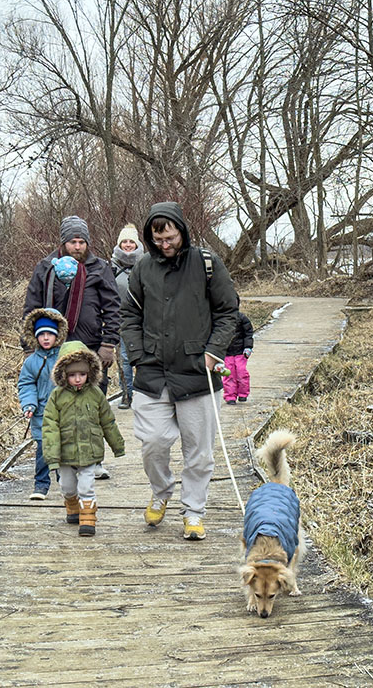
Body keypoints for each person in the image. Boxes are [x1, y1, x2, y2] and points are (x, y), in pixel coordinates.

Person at [120, 201, 238, 541]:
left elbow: (228, 310)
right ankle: (161, 491)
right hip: (153, 372)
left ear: (182, 232)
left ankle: (194, 512)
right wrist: (138, 355)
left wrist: (214, 352)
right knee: (153, 443)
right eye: (158, 240)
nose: (165, 245)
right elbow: (128, 313)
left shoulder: (206, 263)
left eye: (170, 238)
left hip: (197, 372)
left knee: (198, 452)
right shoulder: (142, 268)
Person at [23, 215, 120, 479]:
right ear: (63, 242)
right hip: (53, 347)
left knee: (92, 403)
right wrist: (29, 346)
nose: (77, 247)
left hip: (90, 347)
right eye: (72, 242)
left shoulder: (100, 268)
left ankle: (93, 460)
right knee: (57, 404)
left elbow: (112, 307)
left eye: (81, 242)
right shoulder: (46, 267)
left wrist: (109, 343)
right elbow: (32, 307)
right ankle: (63, 460)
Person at [42, 341, 126, 537]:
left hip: (89, 451)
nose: (78, 379)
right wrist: (52, 455)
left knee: (86, 486)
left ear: (90, 372)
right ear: (64, 375)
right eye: (72, 375)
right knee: (67, 486)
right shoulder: (57, 397)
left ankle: (88, 517)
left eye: (82, 374)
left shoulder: (96, 395)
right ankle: (72, 503)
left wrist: (117, 445)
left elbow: (108, 421)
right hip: (65, 451)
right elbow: (50, 426)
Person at [17, 308, 68, 501]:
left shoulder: (65, 358)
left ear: (57, 335)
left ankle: (65, 482)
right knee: (43, 448)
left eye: (50, 334)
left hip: (64, 412)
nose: (46, 338)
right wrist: (29, 404)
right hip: (41, 413)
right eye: (42, 335)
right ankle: (41, 484)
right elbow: (26, 384)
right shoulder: (31, 362)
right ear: (36, 337)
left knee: (63, 448)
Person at [110, 223, 145, 409]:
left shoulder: (146, 264)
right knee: (124, 360)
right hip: (120, 320)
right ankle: (127, 395)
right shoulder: (112, 266)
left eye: (132, 241)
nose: (128, 245)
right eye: (125, 241)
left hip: (143, 320)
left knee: (143, 358)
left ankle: (143, 395)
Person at [223, 294, 254, 405]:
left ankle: (243, 393)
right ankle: (230, 396)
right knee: (228, 374)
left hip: (241, 352)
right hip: (227, 353)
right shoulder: (221, 320)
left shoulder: (242, 318)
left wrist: (248, 347)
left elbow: (248, 333)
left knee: (241, 372)